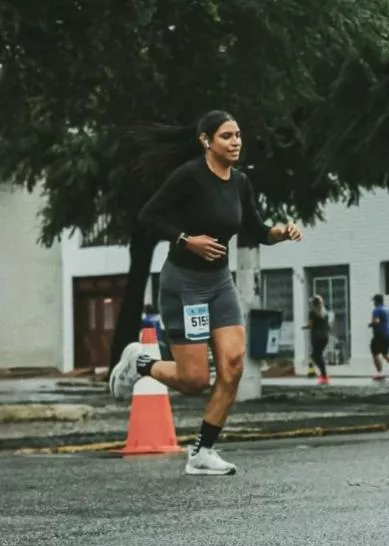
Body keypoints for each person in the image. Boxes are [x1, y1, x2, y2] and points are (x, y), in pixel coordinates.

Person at [108, 110, 303, 476]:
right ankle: (141, 364)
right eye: (227, 136)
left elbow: (255, 229)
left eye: (238, 135)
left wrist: (281, 231)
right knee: (194, 381)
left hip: (219, 284)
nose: (236, 142)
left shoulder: (240, 182)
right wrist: (186, 240)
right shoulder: (188, 177)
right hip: (185, 284)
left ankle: (202, 452)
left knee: (232, 366)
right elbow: (149, 216)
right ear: (206, 141)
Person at [369, 294, 389, 380]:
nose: (373, 303)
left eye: (374, 301)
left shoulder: (377, 310)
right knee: (384, 354)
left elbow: (377, 321)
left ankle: (379, 373)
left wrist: (371, 324)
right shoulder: (388, 310)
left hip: (380, 335)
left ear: (377, 301)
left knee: (374, 351)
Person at [304, 295, 332, 385]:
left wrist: (305, 327)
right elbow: (328, 326)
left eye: (311, 303)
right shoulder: (325, 313)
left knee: (316, 356)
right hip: (325, 337)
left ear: (313, 303)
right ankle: (322, 375)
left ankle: (324, 376)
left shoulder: (312, 313)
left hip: (316, 337)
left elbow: (310, 325)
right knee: (316, 356)